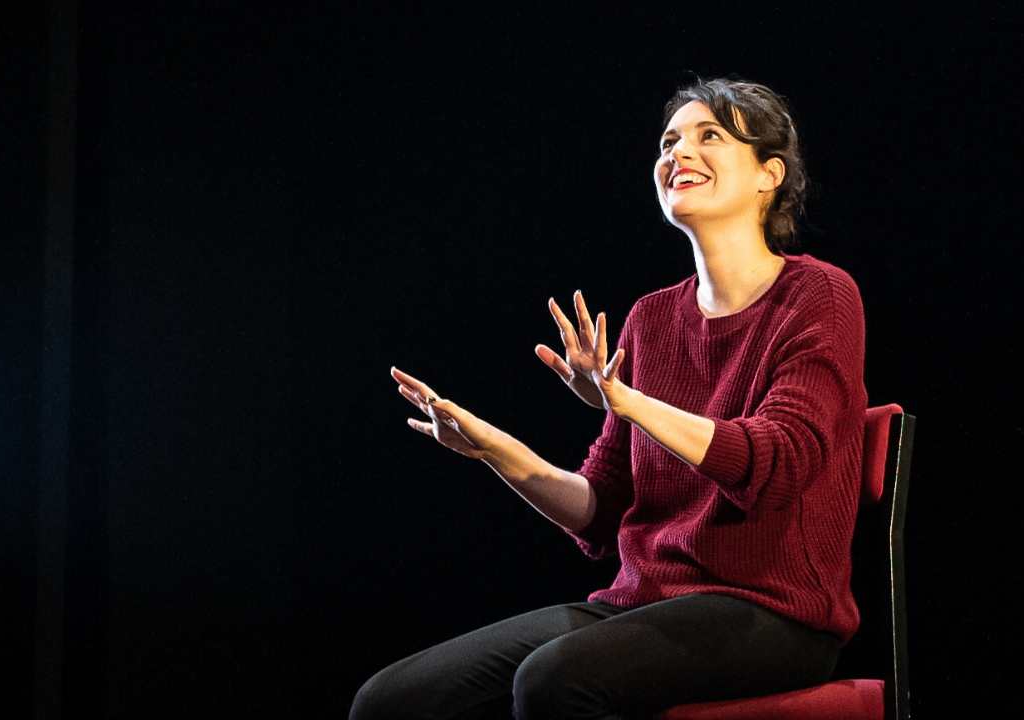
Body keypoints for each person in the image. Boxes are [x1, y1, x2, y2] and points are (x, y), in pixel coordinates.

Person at [354, 75, 868, 720]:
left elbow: (778, 464)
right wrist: (498, 452)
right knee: (390, 702)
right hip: (642, 603)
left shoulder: (819, 296)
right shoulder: (650, 321)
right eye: (669, 141)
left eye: (709, 136)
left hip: (775, 613)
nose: (677, 154)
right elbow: (602, 513)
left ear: (769, 175)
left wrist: (627, 403)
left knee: (554, 682)